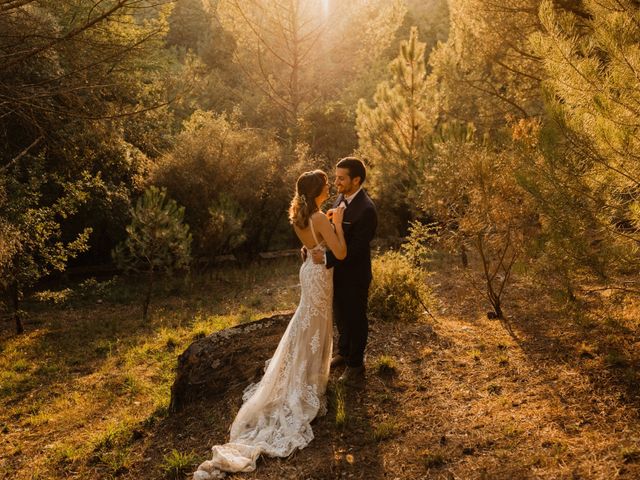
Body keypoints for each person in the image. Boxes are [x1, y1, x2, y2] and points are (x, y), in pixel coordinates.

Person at [193, 170, 346, 479]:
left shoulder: (302, 217)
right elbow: (340, 253)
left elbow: (312, 249)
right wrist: (338, 224)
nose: (330, 186)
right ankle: (308, 384)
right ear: (318, 191)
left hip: (308, 272)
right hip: (319, 277)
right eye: (326, 184)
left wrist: (321, 237)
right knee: (314, 326)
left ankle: (305, 377)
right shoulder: (318, 219)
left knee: (307, 325)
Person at [311, 157, 377, 386]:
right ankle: (344, 352)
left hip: (355, 275)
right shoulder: (341, 197)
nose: (336, 182)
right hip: (337, 273)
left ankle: (356, 365)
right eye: (336, 177)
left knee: (355, 318)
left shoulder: (367, 209)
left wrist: (327, 257)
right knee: (340, 315)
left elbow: (357, 250)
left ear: (356, 180)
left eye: (341, 178)